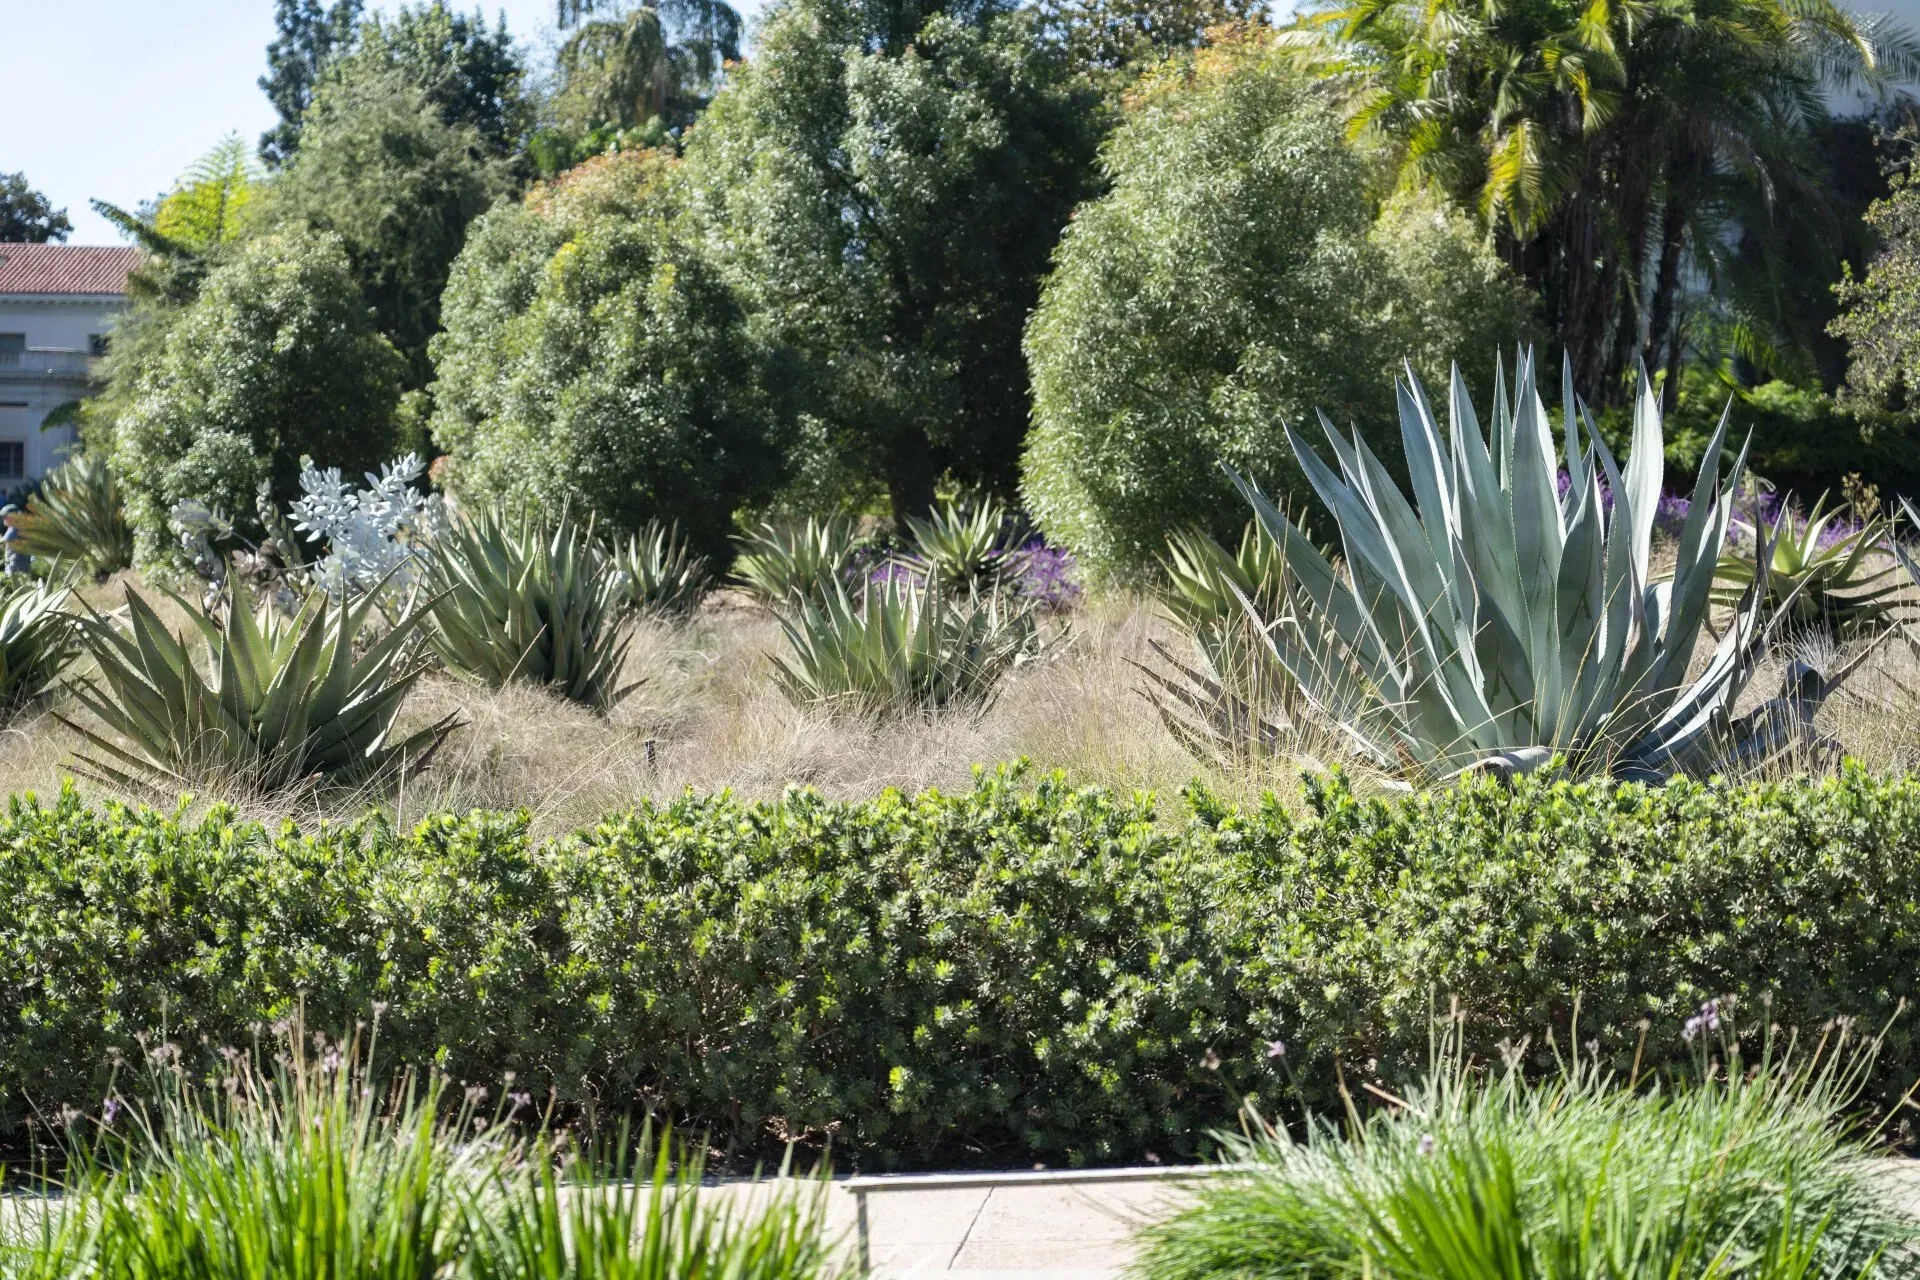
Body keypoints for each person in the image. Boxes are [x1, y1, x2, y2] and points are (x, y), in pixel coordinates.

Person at [0, 504, 29, 577]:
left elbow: (3, 541)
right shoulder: (18, 526)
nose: (3, 519)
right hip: (21, 567)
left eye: (5, 516)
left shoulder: (14, 527)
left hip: (15, 567)